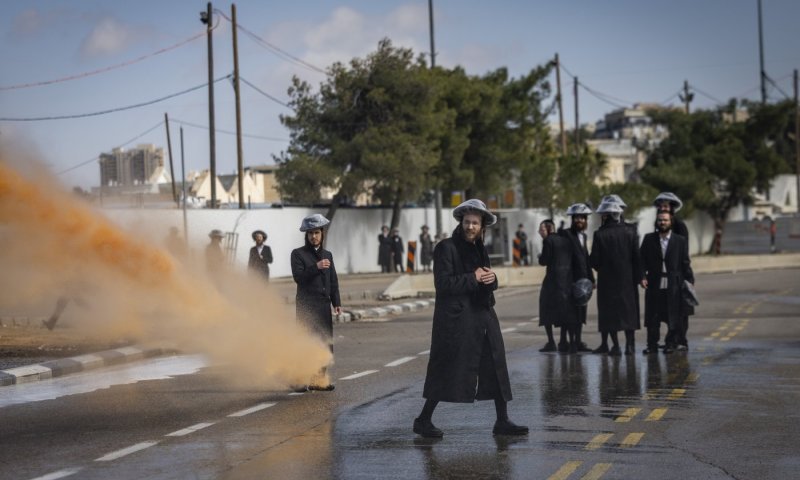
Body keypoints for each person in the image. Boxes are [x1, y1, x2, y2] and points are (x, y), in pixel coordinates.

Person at [414, 199, 528, 438]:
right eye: (467, 222)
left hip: (484, 315)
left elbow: (484, 279)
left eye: (475, 223)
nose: (470, 226)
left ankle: (502, 420)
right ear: (461, 222)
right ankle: (423, 420)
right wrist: (473, 277)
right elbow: (443, 284)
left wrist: (491, 278)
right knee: (447, 368)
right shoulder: (446, 247)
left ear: (482, 226)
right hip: (457, 321)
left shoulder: (480, 248)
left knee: (496, 364)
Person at [291, 213, 342, 391]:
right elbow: (299, 278)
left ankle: (319, 381)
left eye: (317, 233)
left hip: (323, 306)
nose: (314, 236)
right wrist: (316, 267)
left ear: (322, 234)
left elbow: (333, 280)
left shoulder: (328, 254)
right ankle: (300, 380)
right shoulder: (298, 254)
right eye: (310, 233)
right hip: (306, 306)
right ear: (306, 235)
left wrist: (337, 302)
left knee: (324, 342)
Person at [589, 201, 641, 356]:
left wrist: (603, 269)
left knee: (609, 314)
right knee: (629, 313)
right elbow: (637, 257)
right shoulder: (631, 231)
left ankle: (616, 346)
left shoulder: (599, 234)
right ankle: (630, 346)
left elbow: (594, 261)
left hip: (607, 281)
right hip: (628, 280)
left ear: (606, 216)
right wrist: (640, 276)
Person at [640, 212, 694, 354]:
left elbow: (685, 263)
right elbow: (641, 261)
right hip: (654, 283)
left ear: (671, 222)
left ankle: (671, 343)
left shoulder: (680, 241)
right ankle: (652, 345)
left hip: (674, 284)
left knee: (673, 315)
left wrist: (689, 281)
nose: (662, 222)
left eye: (665, 220)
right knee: (653, 316)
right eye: (660, 220)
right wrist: (642, 276)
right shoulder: (648, 239)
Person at [654, 192, 691, 350]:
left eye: (666, 205)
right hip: (662, 274)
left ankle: (679, 340)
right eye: (661, 205)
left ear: (672, 208)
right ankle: (670, 339)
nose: (663, 208)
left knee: (680, 310)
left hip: (677, 273)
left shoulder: (680, 226)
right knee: (664, 308)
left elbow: (684, 252)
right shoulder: (658, 224)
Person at [559, 203, 595, 353]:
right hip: (570, 281)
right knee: (570, 314)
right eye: (576, 218)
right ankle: (569, 342)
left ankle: (578, 341)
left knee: (581, 313)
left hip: (583, 282)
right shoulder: (566, 234)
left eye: (582, 218)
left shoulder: (584, 235)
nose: (579, 220)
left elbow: (585, 259)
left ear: (586, 220)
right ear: (572, 219)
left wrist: (591, 279)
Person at [537, 219, 578, 352]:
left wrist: (540, 257)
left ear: (549, 229)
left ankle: (551, 341)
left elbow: (544, 260)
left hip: (552, 281)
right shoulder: (566, 240)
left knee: (545, 310)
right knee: (565, 311)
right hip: (566, 280)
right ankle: (563, 341)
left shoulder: (548, 241)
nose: (540, 233)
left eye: (542, 230)